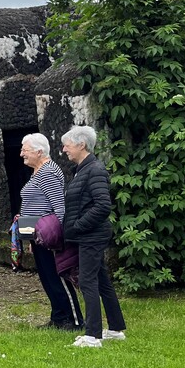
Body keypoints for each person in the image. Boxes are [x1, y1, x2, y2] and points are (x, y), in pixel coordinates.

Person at [61, 126, 126, 348]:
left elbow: (102, 206)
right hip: (88, 234)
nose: (64, 149)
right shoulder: (81, 169)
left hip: (91, 235)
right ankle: (116, 329)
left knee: (87, 281)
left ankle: (92, 336)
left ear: (82, 145)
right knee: (101, 281)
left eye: (67, 145)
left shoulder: (94, 170)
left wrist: (78, 226)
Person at [18, 133, 82, 331]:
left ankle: (74, 320)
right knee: (47, 277)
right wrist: (30, 238)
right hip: (38, 236)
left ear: (39, 151)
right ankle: (58, 317)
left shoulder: (48, 172)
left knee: (58, 277)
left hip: (50, 236)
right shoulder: (37, 171)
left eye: (25, 150)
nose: (21, 154)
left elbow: (59, 207)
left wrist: (63, 237)